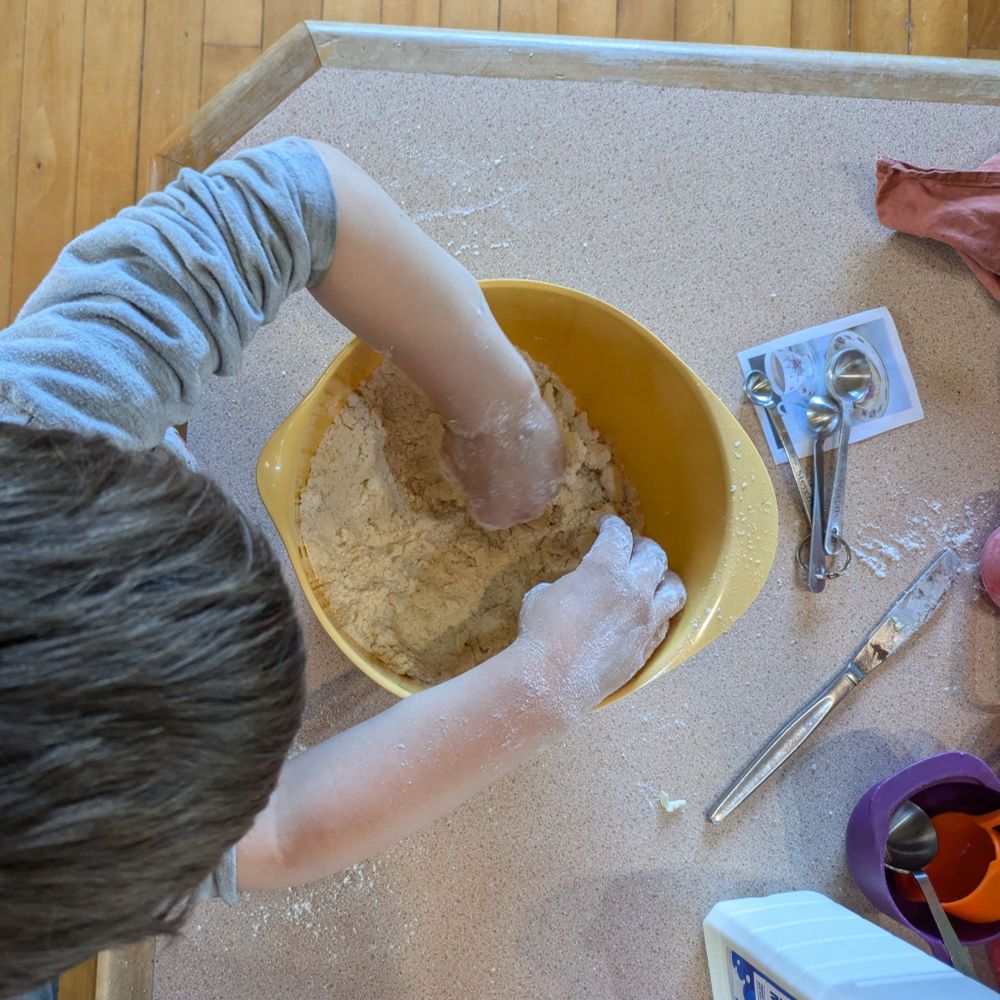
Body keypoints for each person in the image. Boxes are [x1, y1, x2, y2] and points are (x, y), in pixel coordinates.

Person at [0, 137, 685, 999]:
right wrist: (540, 685)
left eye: (151, 470)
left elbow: (298, 200)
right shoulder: (63, 861)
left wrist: (498, 405)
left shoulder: (43, 412)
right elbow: (281, 831)